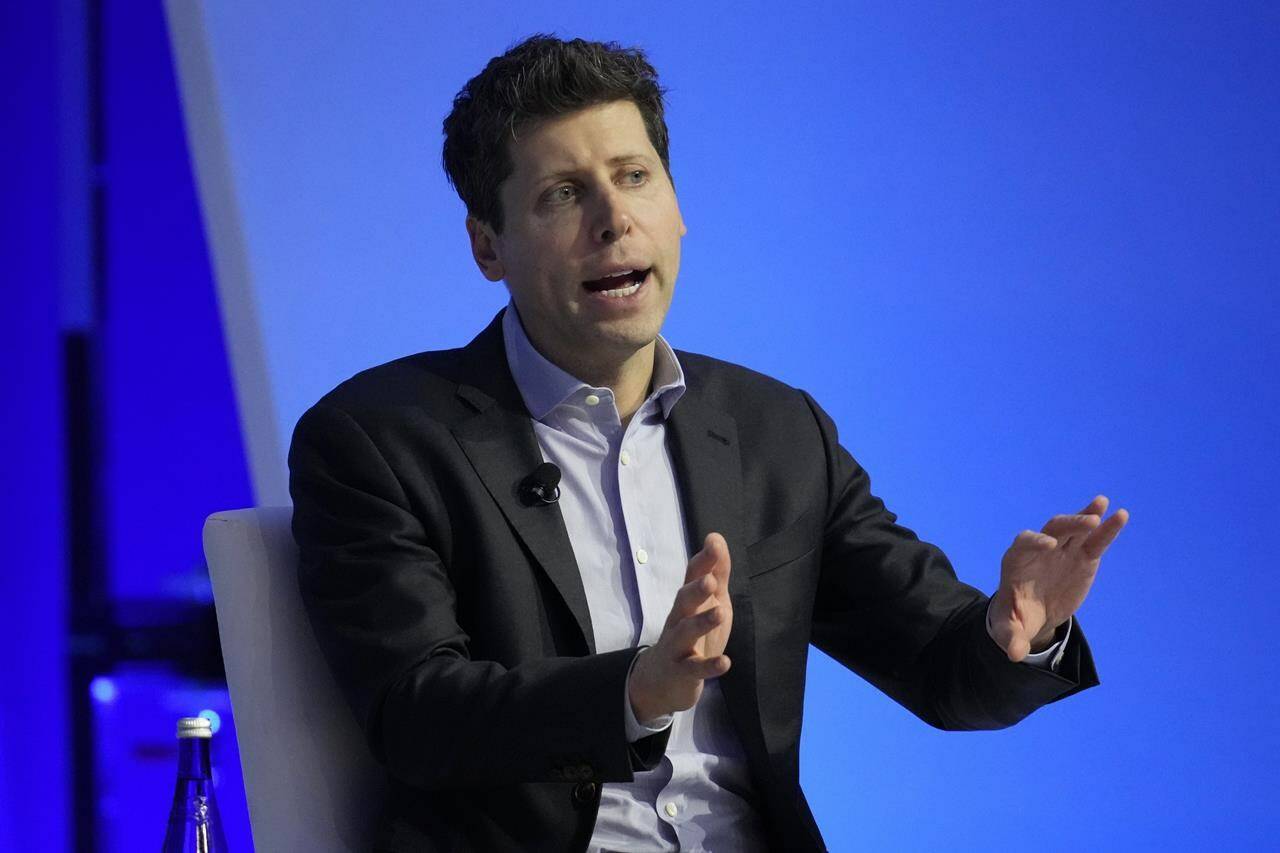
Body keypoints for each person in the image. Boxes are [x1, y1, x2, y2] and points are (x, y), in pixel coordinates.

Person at [288, 34, 1128, 853]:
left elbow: (939, 669)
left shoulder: (775, 429)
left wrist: (1016, 631)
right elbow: (418, 714)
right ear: (486, 245)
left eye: (634, 177)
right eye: (562, 194)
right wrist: (634, 691)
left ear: (678, 206)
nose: (615, 220)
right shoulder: (380, 438)